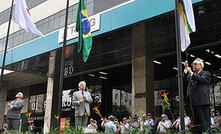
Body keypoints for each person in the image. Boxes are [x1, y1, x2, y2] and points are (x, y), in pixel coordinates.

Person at [184, 59, 211, 133]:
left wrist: (191, 73)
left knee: (205, 124)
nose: (193, 65)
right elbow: (184, 80)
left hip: (202, 102)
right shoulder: (190, 76)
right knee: (196, 125)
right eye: (193, 64)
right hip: (192, 103)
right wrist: (186, 70)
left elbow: (201, 80)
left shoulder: (206, 73)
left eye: (195, 64)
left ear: (201, 66)